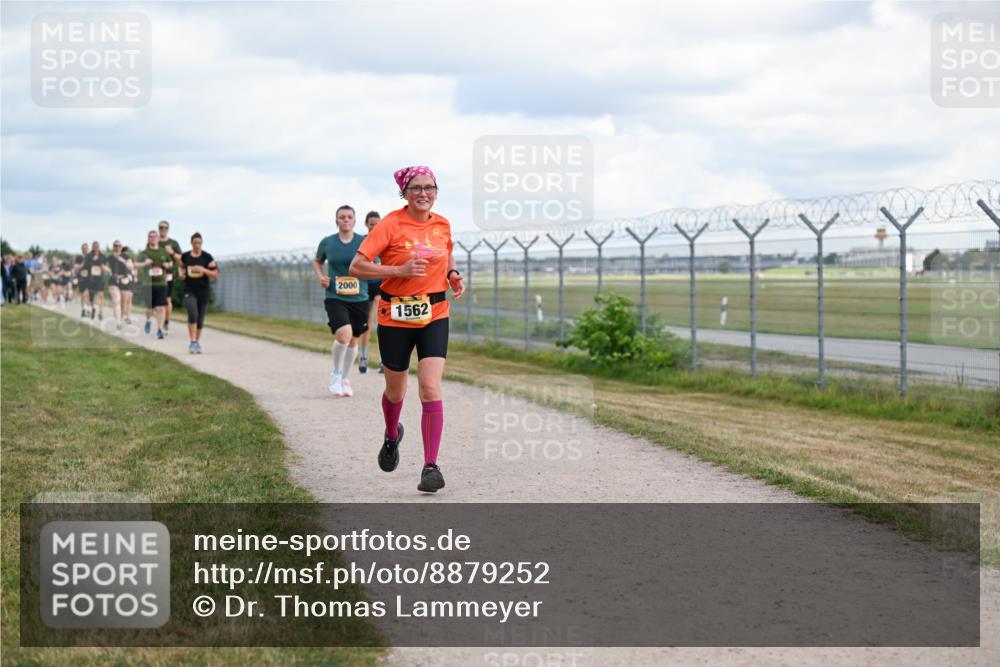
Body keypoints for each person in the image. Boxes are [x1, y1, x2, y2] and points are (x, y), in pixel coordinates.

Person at [349, 165, 464, 493]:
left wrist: (453, 275)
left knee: (430, 388)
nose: (424, 193)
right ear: (404, 192)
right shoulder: (390, 224)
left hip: (435, 312)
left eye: (430, 187)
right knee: (396, 391)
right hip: (394, 314)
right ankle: (391, 434)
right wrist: (398, 268)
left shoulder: (442, 224)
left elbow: (448, 254)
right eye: (416, 188)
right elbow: (358, 266)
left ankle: (431, 466)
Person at [313, 205, 369, 397]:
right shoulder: (328, 242)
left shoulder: (364, 242)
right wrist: (321, 276)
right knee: (344, 335)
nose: (346, 220)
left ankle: (345, 378)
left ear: (355, 221)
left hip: (360, 297)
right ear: (336, 220)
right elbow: (317, 261)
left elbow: (374, 263)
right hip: (335, 296)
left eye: (349, 217)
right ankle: (336, 374)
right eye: (342, 217)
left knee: (353, 340)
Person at [180, 232, 219, 353]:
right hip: (189, 290)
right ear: (191, 243)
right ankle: (192, 342)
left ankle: (196, 342)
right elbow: (181, 266)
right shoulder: (186, 256)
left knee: (200, 319)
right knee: (193, 314)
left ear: (202, 243)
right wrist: (181, 273)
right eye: (195, 243)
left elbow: (215, 275)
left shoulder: (207, 257)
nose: (197, 245)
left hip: (203, 291)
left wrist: (203, 269)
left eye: (199, 243)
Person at [135, 230, 173, 339]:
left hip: (162, 283)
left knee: (161, 308)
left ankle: (160, 330)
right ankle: (148, 320)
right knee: (150, 309)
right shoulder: (144, 253)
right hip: (148, 284)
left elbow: (170, 263)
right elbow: (135, 265)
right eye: (150, 237)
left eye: (154, 237)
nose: (152, 238)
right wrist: (144, 263)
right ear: (148, 239)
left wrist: (167, 264)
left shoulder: (163, 252)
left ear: (157, 239)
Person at [359, 211, 382, 374]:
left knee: (383, 322)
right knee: (366, 323)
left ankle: (383, 360)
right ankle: (364, 357)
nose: (374, 226)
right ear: (366, 224)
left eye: (377, 224)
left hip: (381, 284)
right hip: (366, 285)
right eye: (371, 224)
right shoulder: (362, 241)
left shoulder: (384, 240)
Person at [158, 220, 183, 335]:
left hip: (168, 275)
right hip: (156, 275)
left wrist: (172, 252)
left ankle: (166, 322)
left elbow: (181, 259)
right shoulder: (154, 242)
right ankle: (161, 323)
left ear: (168, 229)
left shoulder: (173, 243)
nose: (163, 229)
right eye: (161, 227)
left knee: (167, 300)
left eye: (165, 228)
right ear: (158, 228)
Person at [108, 241, 132, 330]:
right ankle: (118, 321)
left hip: (124, 280)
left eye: (119, 246)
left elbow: (131, 266)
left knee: (123, 303)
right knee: (116, 300)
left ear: (121, 247)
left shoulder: (126, 256)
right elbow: (106, 266)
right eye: (115, 246)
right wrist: (109, 271)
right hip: (113, 280)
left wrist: (123, 261)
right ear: (113, 247)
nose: (117, 247)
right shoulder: (110, 257)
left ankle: (120, 319)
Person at [83, 241, 107, 320]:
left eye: (97, 246)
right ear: (92, 247)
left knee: (101, 295)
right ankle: (93, 309)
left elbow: (104, 266)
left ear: (99, 247)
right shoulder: (89, 255)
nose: (96, 248)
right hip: (91, 279)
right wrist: (93, 260)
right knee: (91, 296)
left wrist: (99, 262)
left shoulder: (102, 256)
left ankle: (100, 311)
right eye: (94, 246)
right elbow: (86, 266)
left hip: (100, 278)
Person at [119, 246, 136, 324]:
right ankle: (123, 316)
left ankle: (127, 316)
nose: (126, 253)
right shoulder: (121, 258)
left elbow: (134, 268)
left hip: (130, 280)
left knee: (129, 300)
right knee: (125, 300)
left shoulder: (130, 258)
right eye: (125, 251)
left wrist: (135, 276)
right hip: (124, 280)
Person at [73, 243, 87, 316]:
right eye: (84, 248)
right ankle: (83, 308)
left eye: (86, 248)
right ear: (81, 249)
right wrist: (83, 264)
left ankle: (88, 308)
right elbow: (76, 267)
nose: (85, 249)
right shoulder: (79, 258)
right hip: (81, 277)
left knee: (89, 293)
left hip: (90, 278)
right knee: (83, 294)